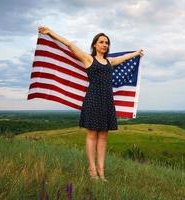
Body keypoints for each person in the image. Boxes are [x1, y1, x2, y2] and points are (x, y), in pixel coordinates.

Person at [38, 26, 144, 182]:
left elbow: (124, 58)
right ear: (95, 44)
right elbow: (69, 44)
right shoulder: (88, 59)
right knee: (92, 135)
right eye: (101, 42)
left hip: (107, 101)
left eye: (106, 43)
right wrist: (50, 33)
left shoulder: (109, 61)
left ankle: (102, 171)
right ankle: (92, 171)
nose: (104, 45)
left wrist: (136, 53)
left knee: (103, 136)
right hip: (93, 99)